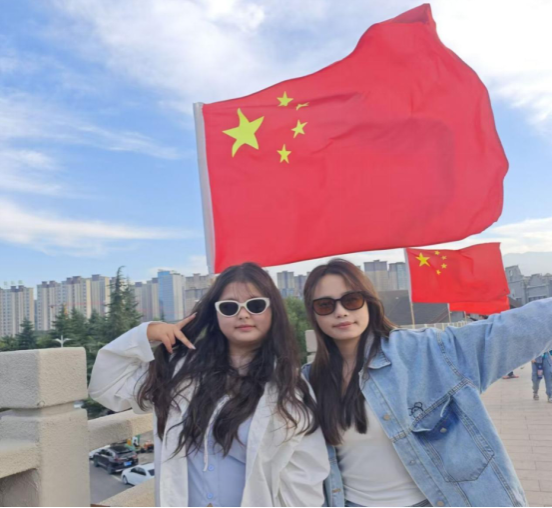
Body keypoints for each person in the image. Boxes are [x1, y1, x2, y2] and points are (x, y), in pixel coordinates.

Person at [302, 259, 552, 508]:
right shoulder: (307, 383)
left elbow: (510, 329)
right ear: (313, 314)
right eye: (325, 305)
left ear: (369, 302)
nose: (340, 312)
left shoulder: (429, 352)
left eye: (351, 300)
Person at [89, 262, 329, 507]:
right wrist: (148, 333)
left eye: (255, 305)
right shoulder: (179, 371)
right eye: (229, 307)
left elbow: (305, 477)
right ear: (216, 314)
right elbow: (105, 387)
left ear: (273, 311)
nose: (243, 314)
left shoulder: (290, 386)